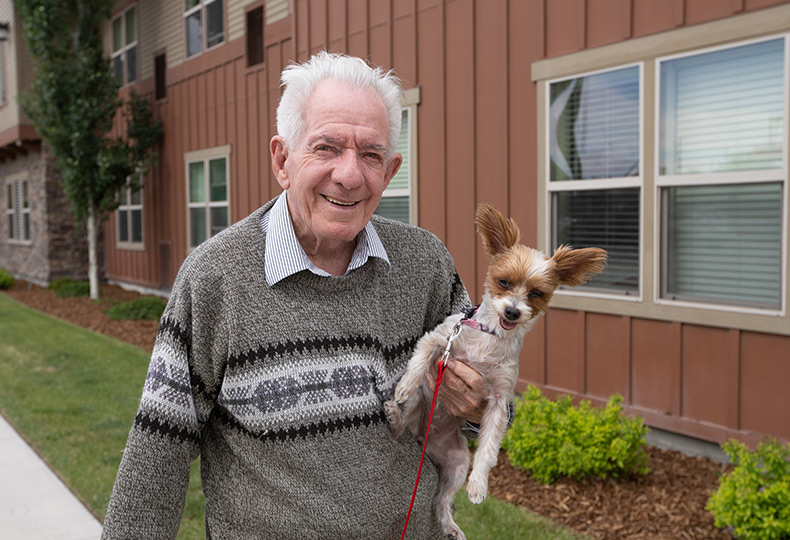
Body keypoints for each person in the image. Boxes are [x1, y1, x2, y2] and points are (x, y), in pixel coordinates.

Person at [101, 51, 490, 540]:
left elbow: (485, 397)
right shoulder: (215, 278)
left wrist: (475, 402)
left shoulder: (425, 264)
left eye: (370, 155)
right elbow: (157, 456)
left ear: (389, 172)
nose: (350, 175)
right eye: (326, 147)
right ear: (282, 160)